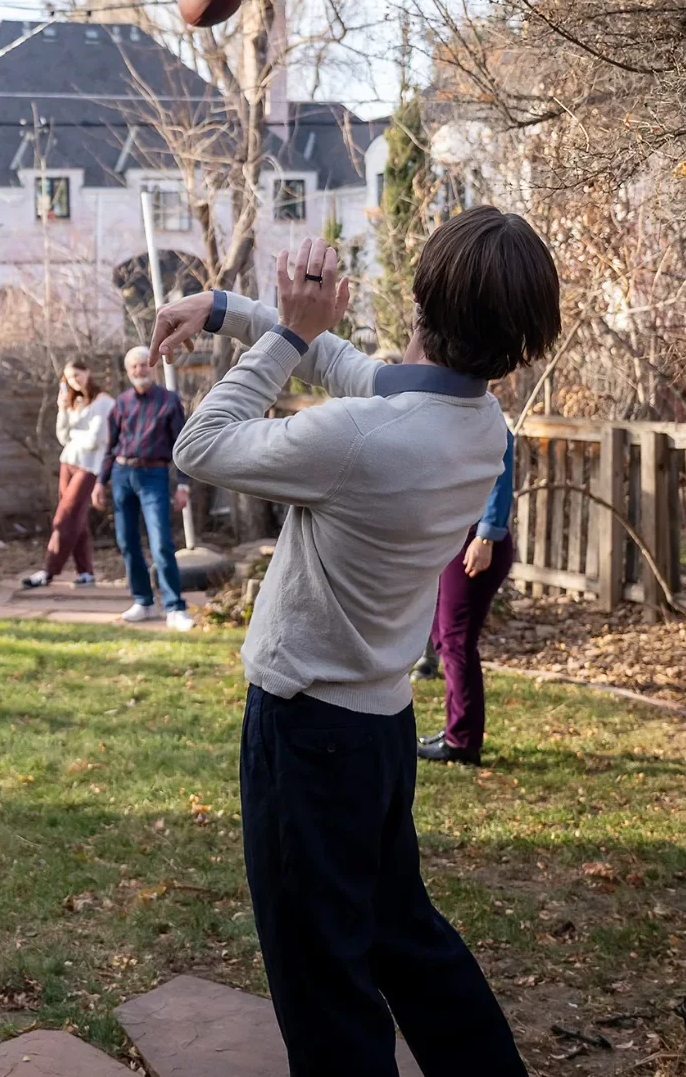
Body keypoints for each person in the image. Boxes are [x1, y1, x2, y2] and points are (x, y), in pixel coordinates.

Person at [152, 207, 560, 1077]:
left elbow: (201, 444)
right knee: (404, 941)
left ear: (420, 301)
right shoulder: (479, 425)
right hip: (376, 730)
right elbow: (349, 367)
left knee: (322, 982)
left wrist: (286, 333)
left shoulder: (362, 442)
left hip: (306, 736)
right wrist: (232, 310)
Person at [418, 430, 517, 765]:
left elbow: (500, 478)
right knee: (444, 638)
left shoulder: (487, 419)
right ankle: (454, 730)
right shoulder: (451, 412)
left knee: (457, 640)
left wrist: (487, 536)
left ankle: (463, 742)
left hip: (477, 542)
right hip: (453, 537)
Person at [108, 345, 195, 631]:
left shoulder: (169, 401)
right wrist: (100, 482)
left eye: (144, 365)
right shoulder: (120, 403)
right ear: (128, 371)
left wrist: (183, 486)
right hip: (122, 475)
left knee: (161, 543)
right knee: (127, 542)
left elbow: (181, 447)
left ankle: (174, 607)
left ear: (153, 366)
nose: (139, 371)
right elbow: (110, 446)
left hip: (153, 475)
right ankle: (143, 601)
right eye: (133, 367)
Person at [22, 357, 113, 589]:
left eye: (77, 375)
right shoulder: (75, 402)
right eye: (69, 378)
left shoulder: (103, 402)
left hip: (89, 466)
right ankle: (86, 573)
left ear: (87, 372)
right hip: (68, 463)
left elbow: (96, 439)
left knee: (64, 517)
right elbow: (62, 437)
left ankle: (48, 570)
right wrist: (62, 409)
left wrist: (75, 436)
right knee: (77, 521)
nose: (74, 381)